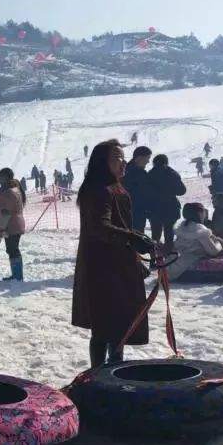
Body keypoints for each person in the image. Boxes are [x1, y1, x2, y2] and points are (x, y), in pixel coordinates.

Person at [72, 140, 153, 369]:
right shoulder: (96, 190)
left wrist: (135, 250)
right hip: (101, 266)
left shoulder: (116, 187)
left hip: (119, 262)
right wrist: (132, 237)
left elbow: (120, 225)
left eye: (122, 157)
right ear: (102, 162)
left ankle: (115, 370)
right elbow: (99, 226)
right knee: (103, 326)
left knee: (119, 323)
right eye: (116, 157)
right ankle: (97, 375)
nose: (123, 162)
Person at [167, 203, 223, 281]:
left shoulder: (182, 226)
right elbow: (213, 251)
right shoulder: (200, 230)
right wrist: (219, 243)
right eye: (203, 212)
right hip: (186, 268)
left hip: (172, 264)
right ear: (199, 213)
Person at [146, 154, 186, 252]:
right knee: (169, 234)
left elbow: (145, 192)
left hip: (154, 209)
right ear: (166, 162)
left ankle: (154, 258)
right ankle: (169, 258)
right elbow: (182, 191)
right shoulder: (172, 174)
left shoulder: (149, 175)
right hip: (170, 208)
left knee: (155, 236)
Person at [0, 167, 26, 281]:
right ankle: (16, 275)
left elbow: (5, 214)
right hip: (17, 223)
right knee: (13, 249)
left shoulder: (7, 192)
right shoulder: (16, 189)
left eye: (0, 177)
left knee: (12, 249)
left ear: (6, 178)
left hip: (11, 225)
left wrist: (0, 230)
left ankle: (17, 276)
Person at [123, 146, 152, 233]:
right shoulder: (136, 173)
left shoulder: (128, 170)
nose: (148, 161)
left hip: (133, 211)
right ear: (139, 158)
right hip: (136, 211)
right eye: (147, 158)